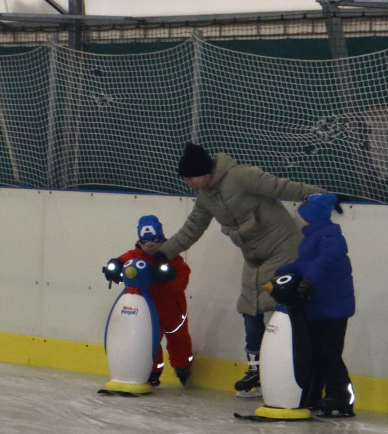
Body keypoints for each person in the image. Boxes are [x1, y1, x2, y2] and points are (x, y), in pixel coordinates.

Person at [158, 142, 325, 398]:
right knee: (250, 309)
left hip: (284, 247)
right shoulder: (206, 197)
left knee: (279, 307)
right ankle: (256, 370)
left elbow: (281, 187)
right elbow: (192, 229)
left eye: (191, 177)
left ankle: (287, 370)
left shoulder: (241, 176)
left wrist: (322, 196)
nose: (189, 183)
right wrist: (162, 253)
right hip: (254, 259)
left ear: (204, 171)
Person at [276, 193, 356, 418]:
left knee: (328, 353)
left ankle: (341, 396)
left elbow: (327, 259)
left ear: (312, 216)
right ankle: (316, 394)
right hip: (320, 308)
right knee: (316, 353)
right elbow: (309, 262)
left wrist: (308, 278)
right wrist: (290, 269)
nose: (298, 217)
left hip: (333, 309)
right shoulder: (313, 235)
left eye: (302, 213)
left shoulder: (329, 236)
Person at [105, 215, 194, 387]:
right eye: (146, 240)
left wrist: (169, 276)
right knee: (147, 342)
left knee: (179, 340)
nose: (151, 244)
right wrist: (114, 268)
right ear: (140, 240)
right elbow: (125, 271)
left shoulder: (172, 257)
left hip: (173, 312)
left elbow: (182, 280)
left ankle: (183, 366)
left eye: (155, 239)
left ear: (161, 237)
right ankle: (151, 371)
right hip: (147, 312)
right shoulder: (133, 256)